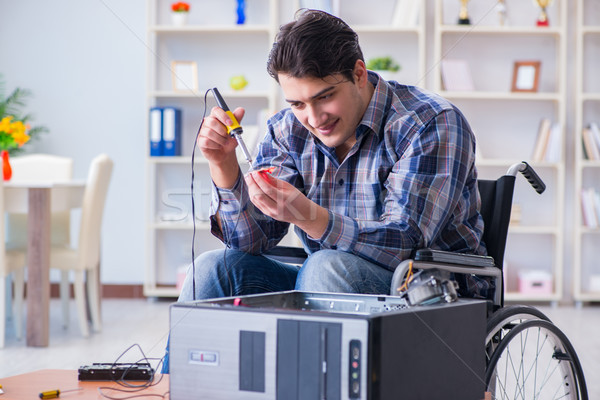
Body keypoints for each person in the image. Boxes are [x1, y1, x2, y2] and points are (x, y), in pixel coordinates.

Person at [162, 9, 487, 373]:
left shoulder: (430, 123)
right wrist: (224, 166)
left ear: (359, 74)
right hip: (325, 288)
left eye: (325, 97)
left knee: (325, 266)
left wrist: (308, 216)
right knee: (213, 268)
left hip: (431, 294)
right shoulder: (287, 130)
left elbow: (405, 244)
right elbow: (251, 242)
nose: (314, 118)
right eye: (298, 104)